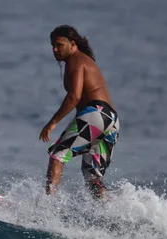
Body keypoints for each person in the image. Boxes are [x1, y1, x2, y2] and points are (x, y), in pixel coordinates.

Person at [39, 25, 120, 199]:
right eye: (53, 45)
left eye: (59, 45)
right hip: (110, 120)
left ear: (72, 44)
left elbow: (74, 97)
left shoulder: (75, 60)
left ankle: (45, 208)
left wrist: (52, 123)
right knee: (92, 177)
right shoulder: (85, 60)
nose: (55, 50)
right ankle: (110, 213)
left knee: (58, 155)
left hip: (96, 114)